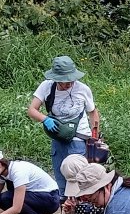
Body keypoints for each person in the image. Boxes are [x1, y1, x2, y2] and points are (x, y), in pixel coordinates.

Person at [27, 56, 101, 195]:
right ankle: (65, 213)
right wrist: (45, 119)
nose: (68, 84)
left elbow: (93, 113)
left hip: (79, 138)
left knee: (78, 180)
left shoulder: (83, 89)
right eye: (64, 82)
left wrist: (95, 137)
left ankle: (81, 213)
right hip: (58, 136)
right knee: (61, 180)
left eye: (71, 81)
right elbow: (32, 110)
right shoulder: (47, 86)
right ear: (55, 78)